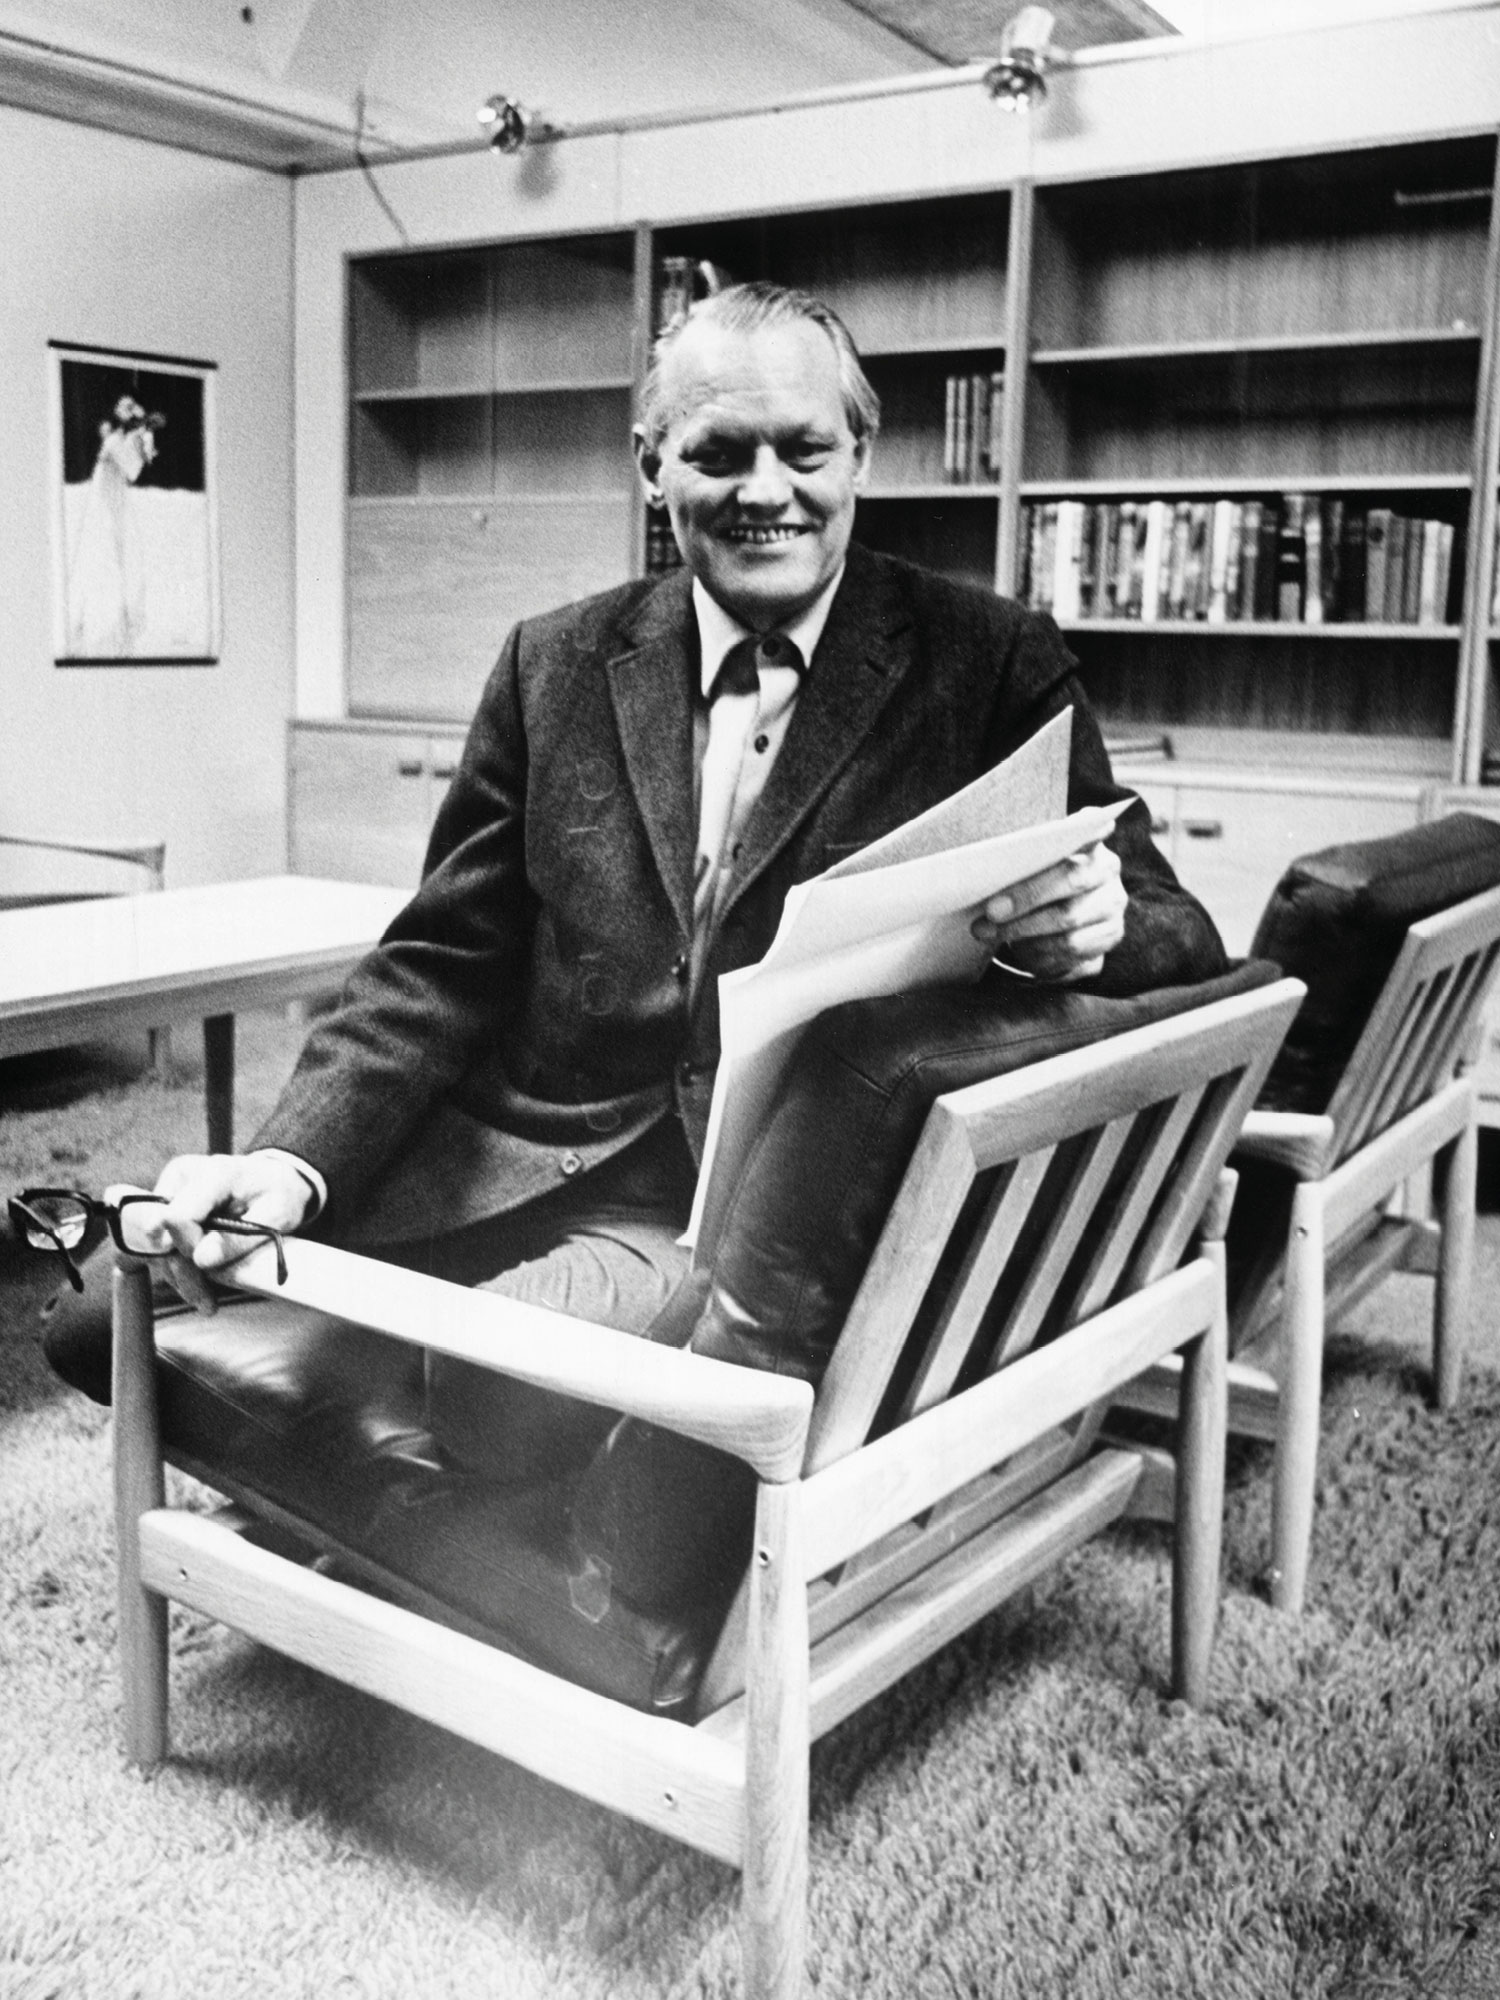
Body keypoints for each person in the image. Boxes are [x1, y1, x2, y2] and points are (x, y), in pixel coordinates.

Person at [43, 282, 1226, 1477]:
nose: (765, 489)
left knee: (491, 1391)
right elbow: (440, 962)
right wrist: (289, 1160)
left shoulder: (990, 660)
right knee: (106, 1311)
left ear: (862, 452)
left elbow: (1180, 928)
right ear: (653, 465)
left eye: (805, 450)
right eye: (717, 453)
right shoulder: (554, 659)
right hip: (517, 1152)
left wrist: (1101, 924)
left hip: (759, 1217)